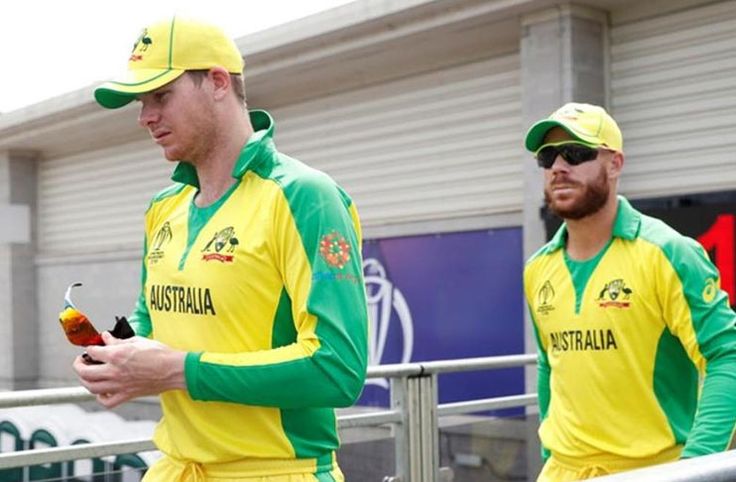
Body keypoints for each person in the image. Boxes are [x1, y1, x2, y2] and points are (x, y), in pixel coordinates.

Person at [73, 15, 368, 482]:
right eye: (140, 101)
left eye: (160, 96)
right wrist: (117, 358)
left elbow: (336, 369)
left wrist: (175, 371)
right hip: (175, 467)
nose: (145, 117)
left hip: (276, 471)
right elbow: (152, 316)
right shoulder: (162, 207)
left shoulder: (305, 196)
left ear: (215, 82)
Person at [523, 102, 736, 481]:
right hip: (561, 471)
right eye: (548, 156)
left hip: (650, 472)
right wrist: (549, 450)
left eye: (576, 152)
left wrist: (697, 466)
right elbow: (548, 363)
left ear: (615, 164)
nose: (558, 166)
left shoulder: (669, 253)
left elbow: (726, 357)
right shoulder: (538, 268)